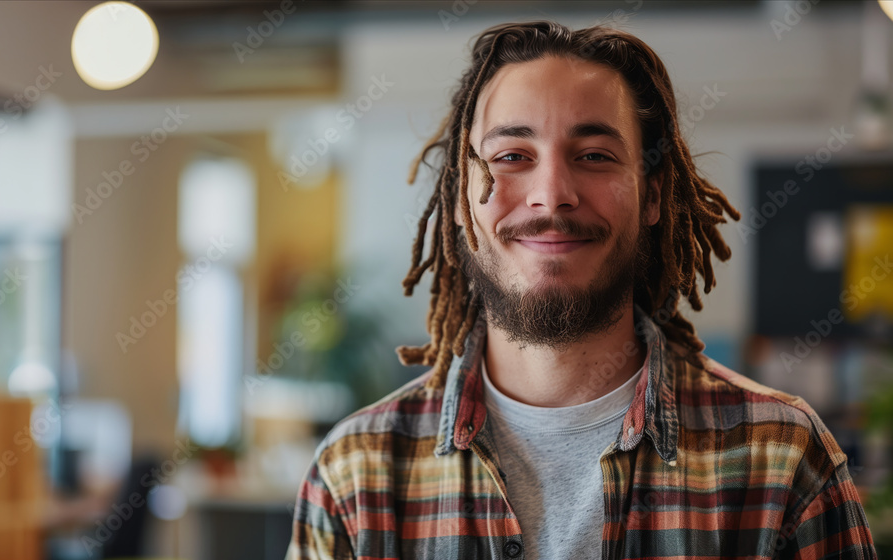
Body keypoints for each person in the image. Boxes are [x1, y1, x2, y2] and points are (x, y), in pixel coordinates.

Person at [285, 21, 878, 559]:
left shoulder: (781, 461)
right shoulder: (354, 479)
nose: (552, 194)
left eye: (594, 155)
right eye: (512, 156)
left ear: (651, 195)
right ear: (461, 201)